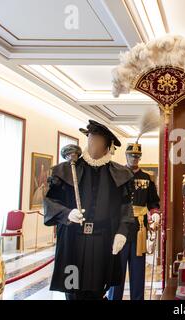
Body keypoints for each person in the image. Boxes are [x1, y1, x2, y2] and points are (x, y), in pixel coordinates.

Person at [43, 120, 135, 300]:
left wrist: (122, 232)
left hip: (102, 241)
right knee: (73, 287)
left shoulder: (119, 174)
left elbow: (125, 207)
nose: (93, 145)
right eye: (91, 139)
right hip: (73, 241)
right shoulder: (66, 170)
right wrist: (66, 213)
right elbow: (49, 201)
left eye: (99, 141)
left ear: (107, 146)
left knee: (98, 289)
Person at [108, 142, 160, 300]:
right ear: (126, 156)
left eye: (137, 156)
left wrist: (155, 213)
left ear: (140, 157)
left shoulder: (147, 178)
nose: (134, 159)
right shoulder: (117, 175)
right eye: (131, 156)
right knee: (117, 268)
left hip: (140, 228)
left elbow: (153, 201)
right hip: (119, 228)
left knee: (138, 269)